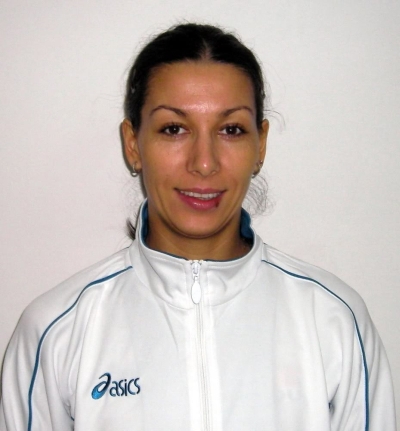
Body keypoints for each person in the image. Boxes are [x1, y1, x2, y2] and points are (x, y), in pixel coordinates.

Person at [0, 23, 396, 431]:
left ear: (260, 145)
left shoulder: (333, 320)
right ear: (133, 144)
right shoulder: (55, 331)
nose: (204, 163)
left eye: (231, 130)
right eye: (174, 129)